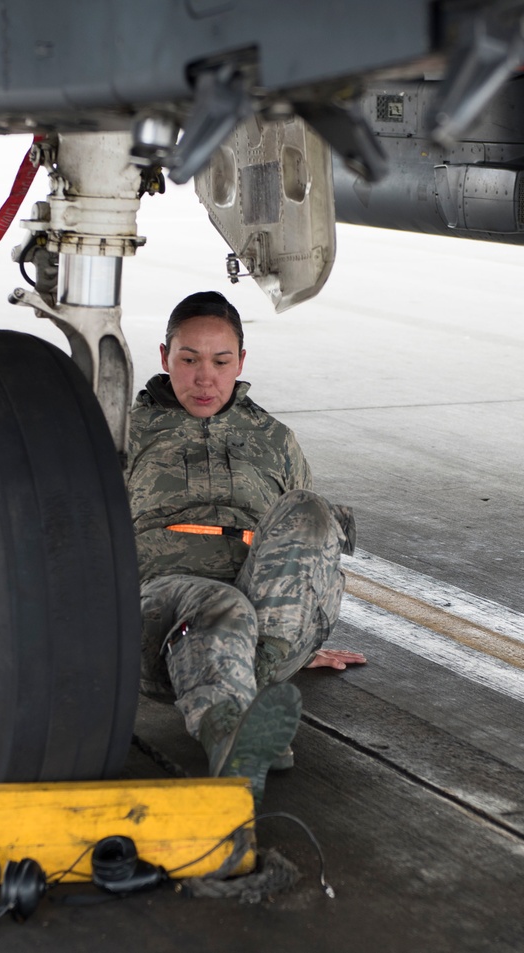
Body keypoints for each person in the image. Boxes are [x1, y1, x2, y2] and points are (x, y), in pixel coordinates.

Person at [125, 290, 365, 803]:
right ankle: (232, 731)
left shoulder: (275, 440)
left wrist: (301, 626)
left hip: (264, 616)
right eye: (188, 360)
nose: (204, 377)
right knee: (221, 603)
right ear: (165, 358)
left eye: (220, 361)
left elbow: (303, 544)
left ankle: (249, 690)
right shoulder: (126, 432)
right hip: (156, 610)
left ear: (241, 362)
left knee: (309, 507)